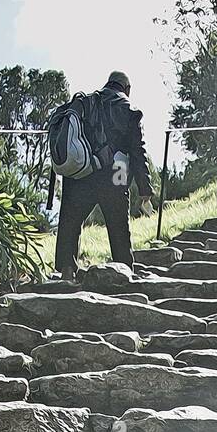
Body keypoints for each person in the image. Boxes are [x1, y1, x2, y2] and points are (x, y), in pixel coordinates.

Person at [54, 71, 154, 280]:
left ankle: (67, 270)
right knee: (118, 223)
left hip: (81, 173)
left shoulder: (86, 101)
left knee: (71, 220)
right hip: (116, 173)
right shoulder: (130, 110)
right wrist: (145, 190)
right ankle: (124, 272)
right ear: (127, 89)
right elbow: (137, 152)